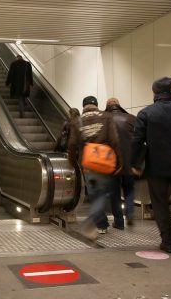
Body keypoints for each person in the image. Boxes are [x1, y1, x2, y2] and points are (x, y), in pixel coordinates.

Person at [131, 77, 171, 253]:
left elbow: (137, 141)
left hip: (156, 167)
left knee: (159, 203)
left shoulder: (146, 113)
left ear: (155, 93)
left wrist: (134, 164)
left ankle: (168, 242)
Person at [68, 96, 122, 239]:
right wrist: (120, 162)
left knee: (94, 195)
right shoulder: (107, 116)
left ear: (83, 106)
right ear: (96, 105)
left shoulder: (77, 121)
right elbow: (115, 141)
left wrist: (72, 162)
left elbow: (72, 145)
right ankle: (97, 222)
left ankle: (100, 224)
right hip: (106, 161)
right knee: (103, 194)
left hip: (88, 163)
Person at [105, 98, 137, 228]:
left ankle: (119, 221)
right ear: (119, 105)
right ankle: (129, 213)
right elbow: (138, 140)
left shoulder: (105, 119)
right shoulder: (131, 118)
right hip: (129, 160)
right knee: (129, 188)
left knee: (114, 192)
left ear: (107, 106)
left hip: (112, 161)